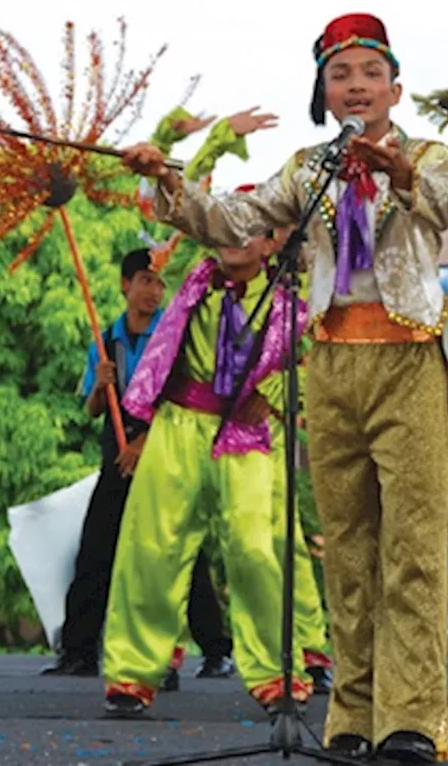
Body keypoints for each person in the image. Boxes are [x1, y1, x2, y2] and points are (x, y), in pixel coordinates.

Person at [122, 12, 448, 763]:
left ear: (394, 88)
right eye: (340, 75)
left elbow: (444, 206)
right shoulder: (308, 171)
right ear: (324, 89)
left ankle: (409, 720)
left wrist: (399, 174)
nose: (355, 85)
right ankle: (352, 716)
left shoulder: (433, 156)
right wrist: (165, 180)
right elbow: (231, 218)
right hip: (331, 364)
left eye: (369, 74)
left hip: (407, 359)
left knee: (410, 547)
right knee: (345, 549)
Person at [44, 105, 272, 684]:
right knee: (97, 552)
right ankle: (79, 651)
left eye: (159, 279)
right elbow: (95, 409)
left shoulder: (180, 321)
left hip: (163, 445)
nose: (154, 288)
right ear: (125, 285)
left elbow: (172, 390)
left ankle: (212, 648)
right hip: (114, 459)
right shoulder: (108, 338)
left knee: (183, 553)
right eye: (144, 279)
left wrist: (144, 439)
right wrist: (102, 390)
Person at [101, 229, 308, 718]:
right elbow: (178, 192)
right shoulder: (196, 284)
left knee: (255, 549)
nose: (235, 237)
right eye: (226, 226)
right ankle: (131, 671)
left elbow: (316, 360)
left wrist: (275, 391)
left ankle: (275, 672)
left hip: (245, 434)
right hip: (180, 423)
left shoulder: (290, 305)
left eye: (250, 229)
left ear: (270, 244)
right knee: (151, 546)